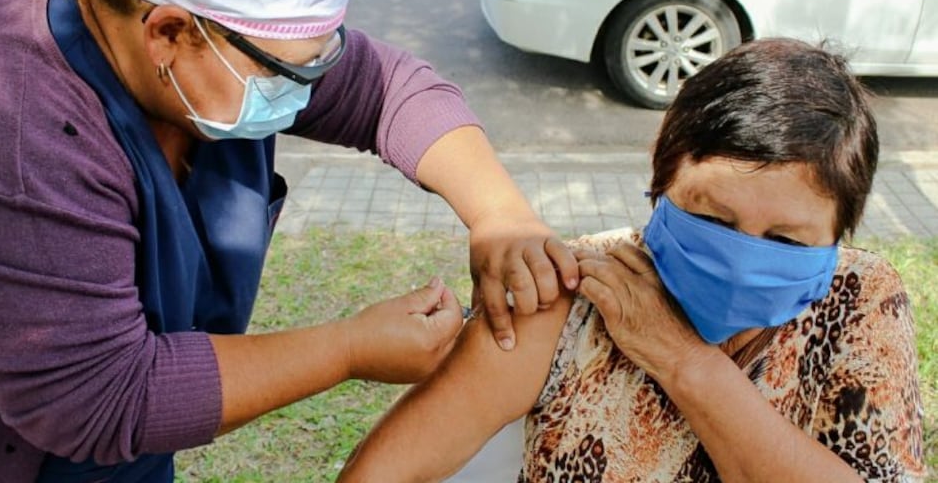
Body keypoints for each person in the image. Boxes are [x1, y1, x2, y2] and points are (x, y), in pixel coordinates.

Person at [0, 0, 579, 480]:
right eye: (287, 71)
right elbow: (103, 399)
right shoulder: (13, 133)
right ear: (168, 34)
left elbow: (386, 87)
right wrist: (348, 349)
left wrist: (500, 216)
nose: (306, 88)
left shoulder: (197, 42)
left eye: (320, 60)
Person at [337, 38, 927, 482]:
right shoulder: (571, 290)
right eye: (715, 220)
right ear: (660, 174)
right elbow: (387, 472)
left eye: (788, 241)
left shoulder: (861, 300)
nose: (744, 260)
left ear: (840, 231)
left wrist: (682, 360)